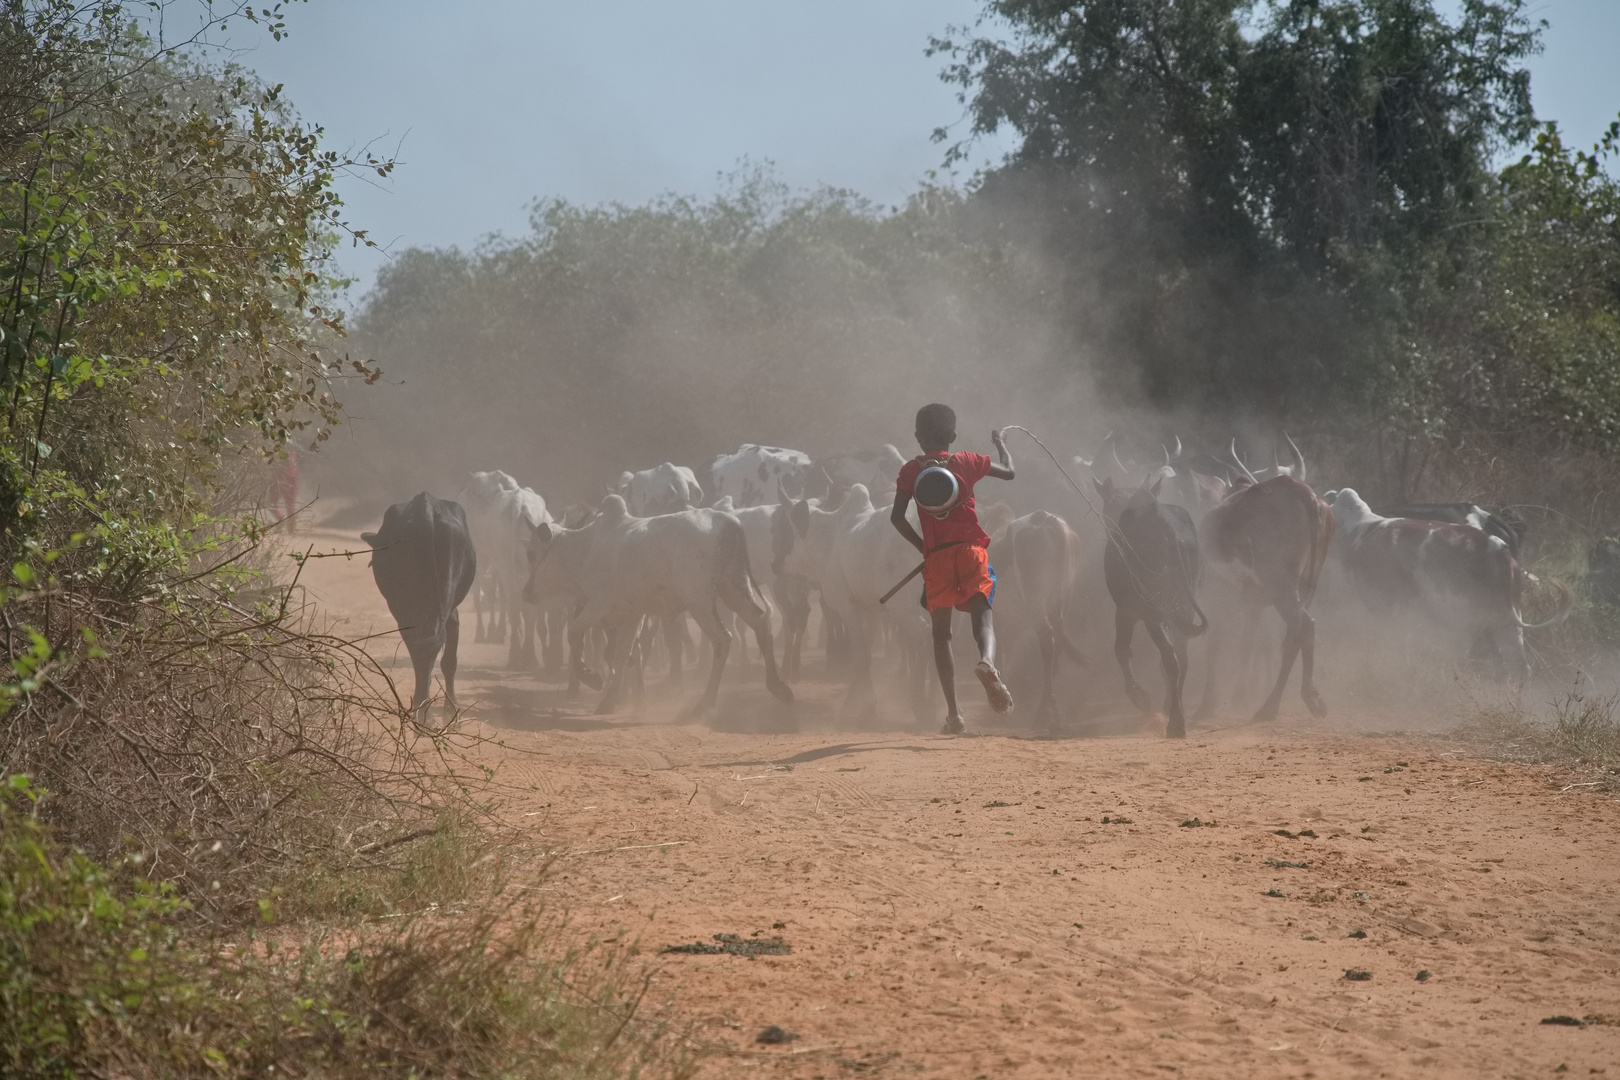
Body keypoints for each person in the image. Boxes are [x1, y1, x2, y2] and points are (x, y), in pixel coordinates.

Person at [891, 403, 1015, 734]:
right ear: (953, 435)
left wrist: (924, 548)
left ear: (917, 437)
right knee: (983, 621)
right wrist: (1000, 442)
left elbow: (896, 518)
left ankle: (954, 714)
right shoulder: (966, 461)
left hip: (938, 560)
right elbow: (1009, 471)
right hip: (972, 553)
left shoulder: (909, 472)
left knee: (941, 634)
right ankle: (987, 662)